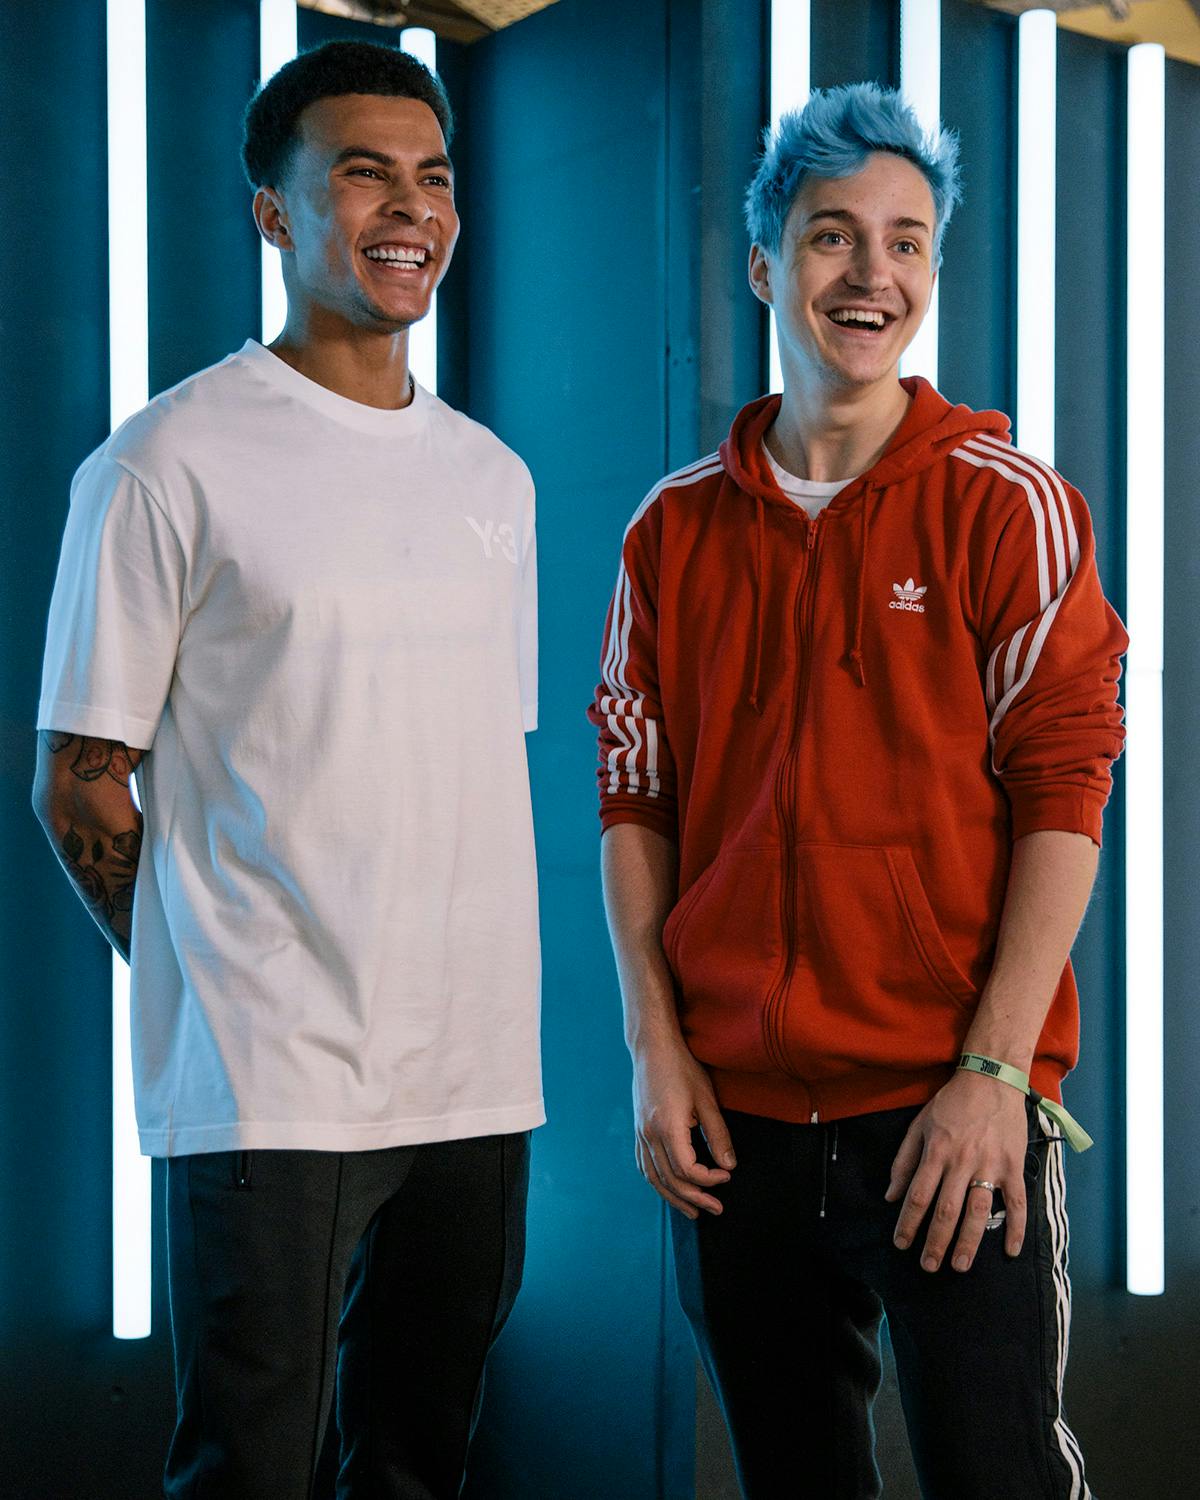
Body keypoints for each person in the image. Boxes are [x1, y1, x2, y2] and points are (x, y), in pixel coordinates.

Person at [592, 83, 1125, 1500]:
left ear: (932, 271)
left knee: (999, 1475)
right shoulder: (672, 529)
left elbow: (1066, 795)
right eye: (832, 236)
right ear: (765, 267)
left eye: (905, 242)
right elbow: (635, 800)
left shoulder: (1008, 505)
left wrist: (995, 1075)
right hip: (737, 1126)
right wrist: (656, 1050)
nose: (870, 274)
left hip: (948, 1108)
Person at [33, 41, 541, 1500]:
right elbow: (80, 782)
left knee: (419, 1464)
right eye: (364, 174)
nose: (411, 208)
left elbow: (460, 760)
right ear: (274, 211)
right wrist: (213, 975)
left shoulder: (492, 478)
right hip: (272, 1078)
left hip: (474, 1071)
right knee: (249, 1472)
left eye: (433, 177)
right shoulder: (164, 462)